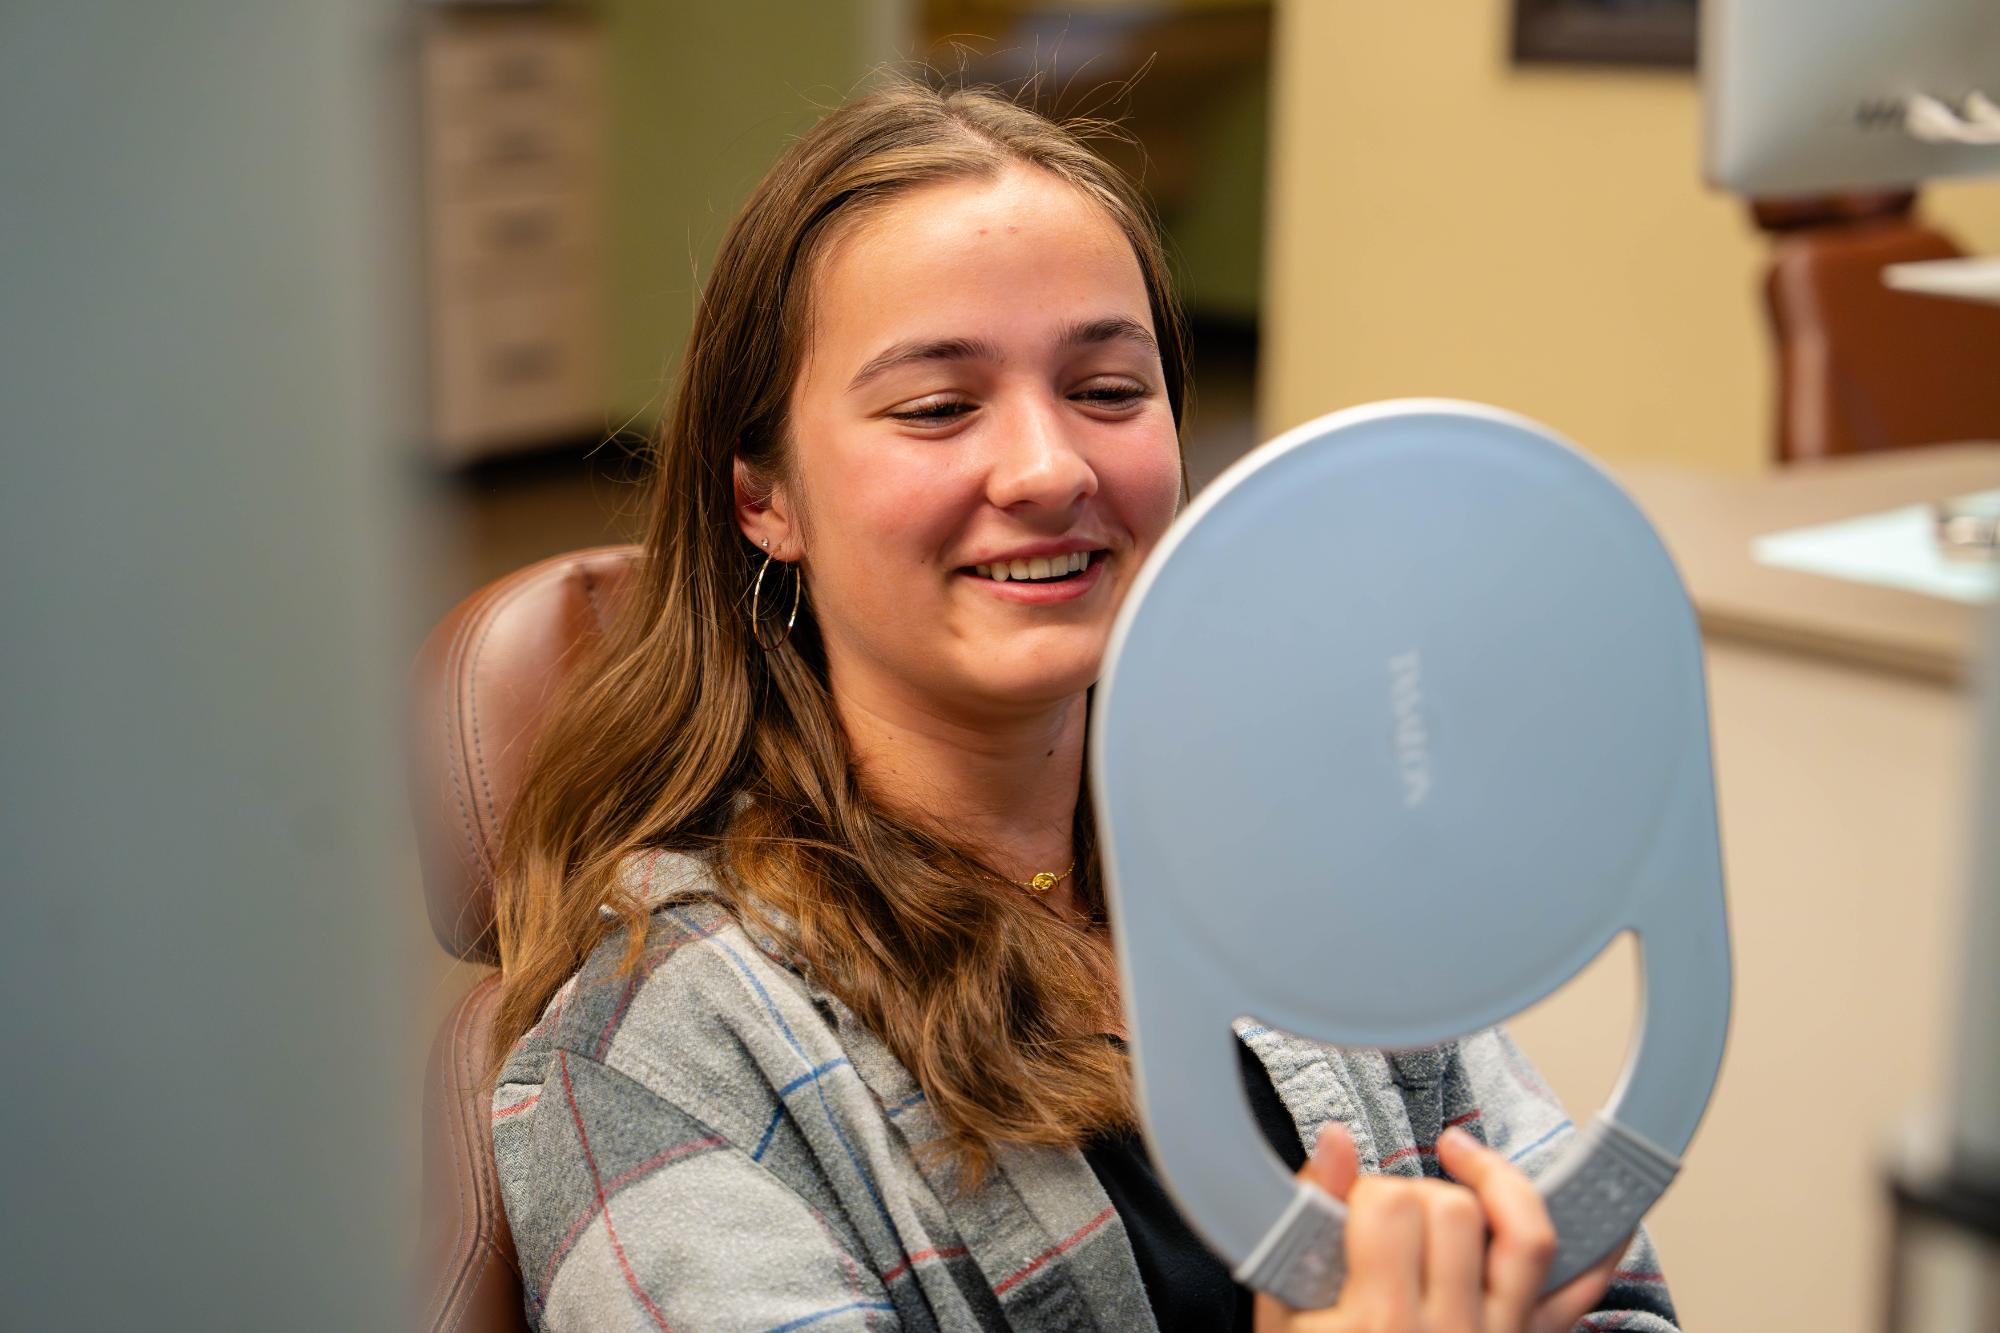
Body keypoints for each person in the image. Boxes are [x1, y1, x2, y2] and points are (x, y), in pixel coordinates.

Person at [486, 75, 1681, 1333]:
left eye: (1107, 390)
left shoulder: (1313, 864)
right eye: (938, 407)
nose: (1051, 469)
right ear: (761, 498)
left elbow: (1611, 1282)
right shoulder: (659, 1058)